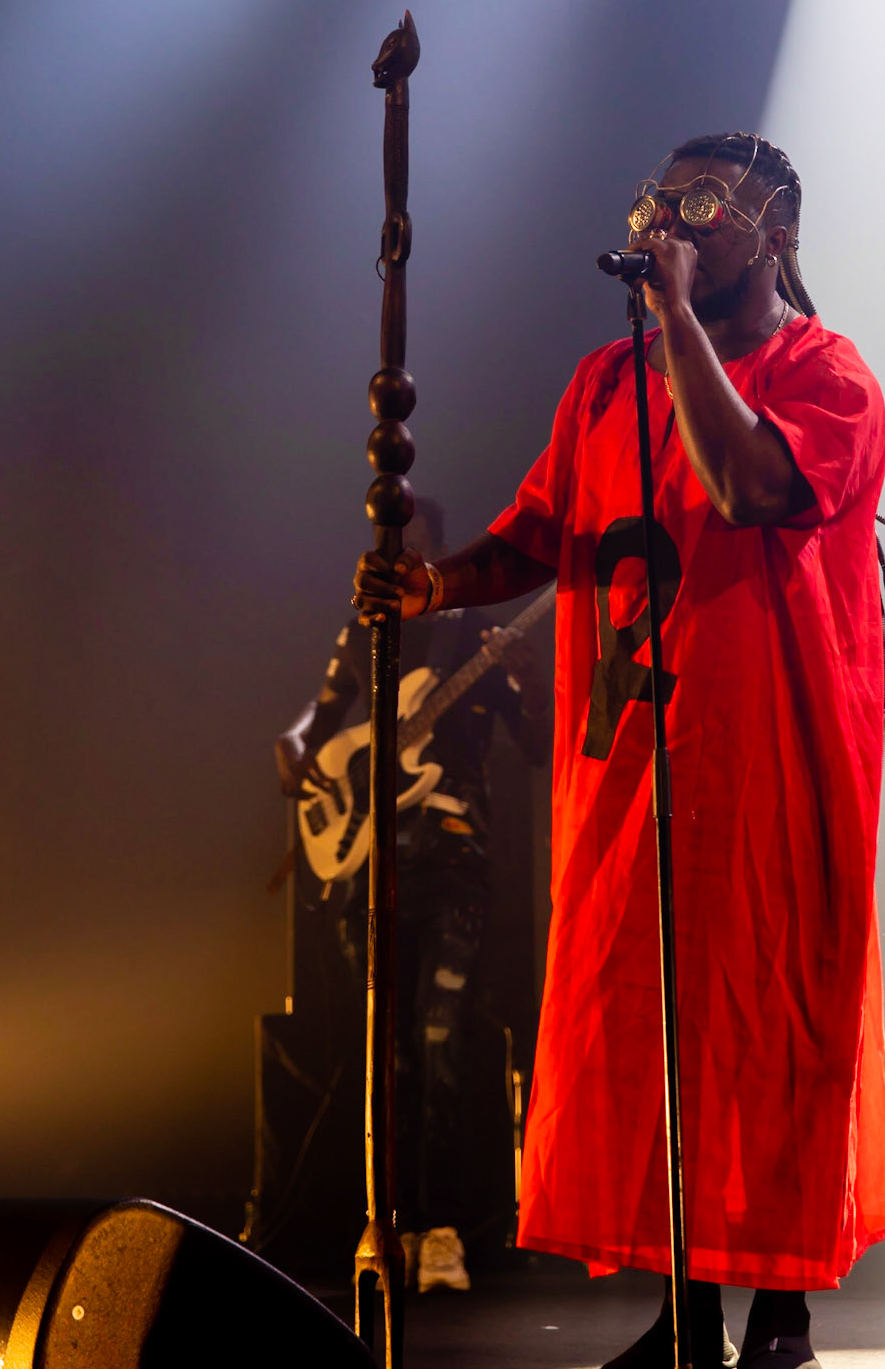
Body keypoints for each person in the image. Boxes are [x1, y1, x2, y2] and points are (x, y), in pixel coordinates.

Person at [355, 136, 885, 1368]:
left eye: (707, 204)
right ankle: (686, 1315)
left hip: (771, 758)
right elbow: (542, 532)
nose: (674, 218)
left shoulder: (830, 375)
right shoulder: (608, 381)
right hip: (632, 761)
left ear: (778, 237)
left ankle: (783, 1316)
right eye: (661, 199)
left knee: (766, 1026)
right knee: (646, 1033)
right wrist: (433, 580)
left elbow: (750, 482)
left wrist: (671, 320)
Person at [277, 498, 551, 1293]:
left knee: (441, 1040)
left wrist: (531, 689)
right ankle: (385, 1228)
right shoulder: (367, 630)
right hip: (374, 865)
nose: (394, 560)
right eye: (385, 548)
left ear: (435, 550)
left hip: (455, 860)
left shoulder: (477, 634)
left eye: (410, 549)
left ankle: (442, 1229)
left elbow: (535, 748)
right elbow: (319, 714)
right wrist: (296, 744)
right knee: (385, 1055)